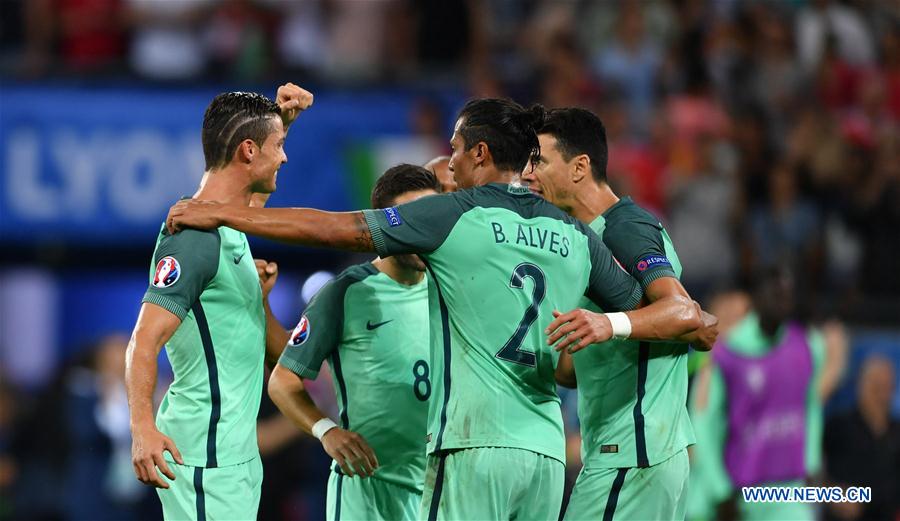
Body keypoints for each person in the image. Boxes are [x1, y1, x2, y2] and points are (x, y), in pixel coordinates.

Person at [166, 98, 703, 520]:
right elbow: (650, 314)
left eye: (454, 149)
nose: (447, 163)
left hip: (472, 447)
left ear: (480, 154)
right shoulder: (577, 236)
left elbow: (338, 227)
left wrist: (222, 215)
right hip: (544, 455)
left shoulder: (455, 216)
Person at [125, 83, 313, 520]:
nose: (284, 156)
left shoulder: (226, 223)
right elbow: (144, 340)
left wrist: (282, 122)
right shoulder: (195, 238)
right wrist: (141, 428)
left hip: (232, 455)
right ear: (249, 150)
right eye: (278, 146)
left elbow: (251, 199)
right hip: (204, 459)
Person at [520, 107, 717, 521]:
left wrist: (606, 323)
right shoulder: (582, 240)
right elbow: (574, 372)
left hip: (633, 454)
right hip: (632, 453)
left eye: (539, 160)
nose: (528, 173)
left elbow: (684, 313)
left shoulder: (624, 227)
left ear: (579, 167)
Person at [263, 164, 441, 520]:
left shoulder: (451, 289)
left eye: (431, 219)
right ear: (382, 227)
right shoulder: (346, 293)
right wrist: (326, 431)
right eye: (409, 220)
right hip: (368, 490)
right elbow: (283, 380)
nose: (422, 231)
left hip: (440, 489)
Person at [688, 266, 830, 521]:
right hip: (721, 492)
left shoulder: (803, 346)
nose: (734, 324)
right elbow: (701, 430)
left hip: (783, 492)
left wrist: (811, 461)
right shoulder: (713, 362)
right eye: (727, 316)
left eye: (741, 315)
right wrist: (720, 491)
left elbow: (810, 404)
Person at [824, 355, 900, 521]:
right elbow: (811, 473)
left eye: (886, 387)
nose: (880, 394)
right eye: (875, 386)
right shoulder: (838, 426)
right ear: (860, 386)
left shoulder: (897, 432)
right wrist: (833, 495)